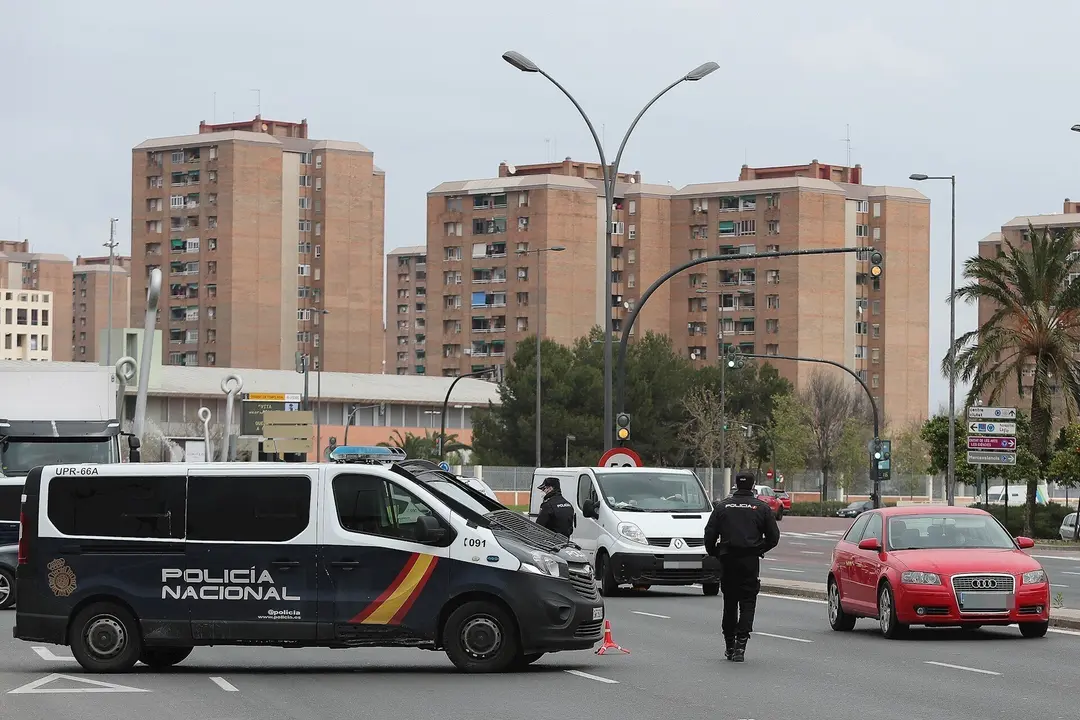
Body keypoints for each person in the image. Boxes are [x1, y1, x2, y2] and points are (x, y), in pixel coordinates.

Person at [703, 470, 780, 662]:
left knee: (729, 603)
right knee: (747, 602)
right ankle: (740, 647)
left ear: (736, 485)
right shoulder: (761, 508)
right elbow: (774, 537)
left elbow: (709, 534)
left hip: (728, 559)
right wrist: (759, 548)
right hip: (749, 560)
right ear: (753, 486)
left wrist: (715, 552)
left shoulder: (722, 507)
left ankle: (729, 645)